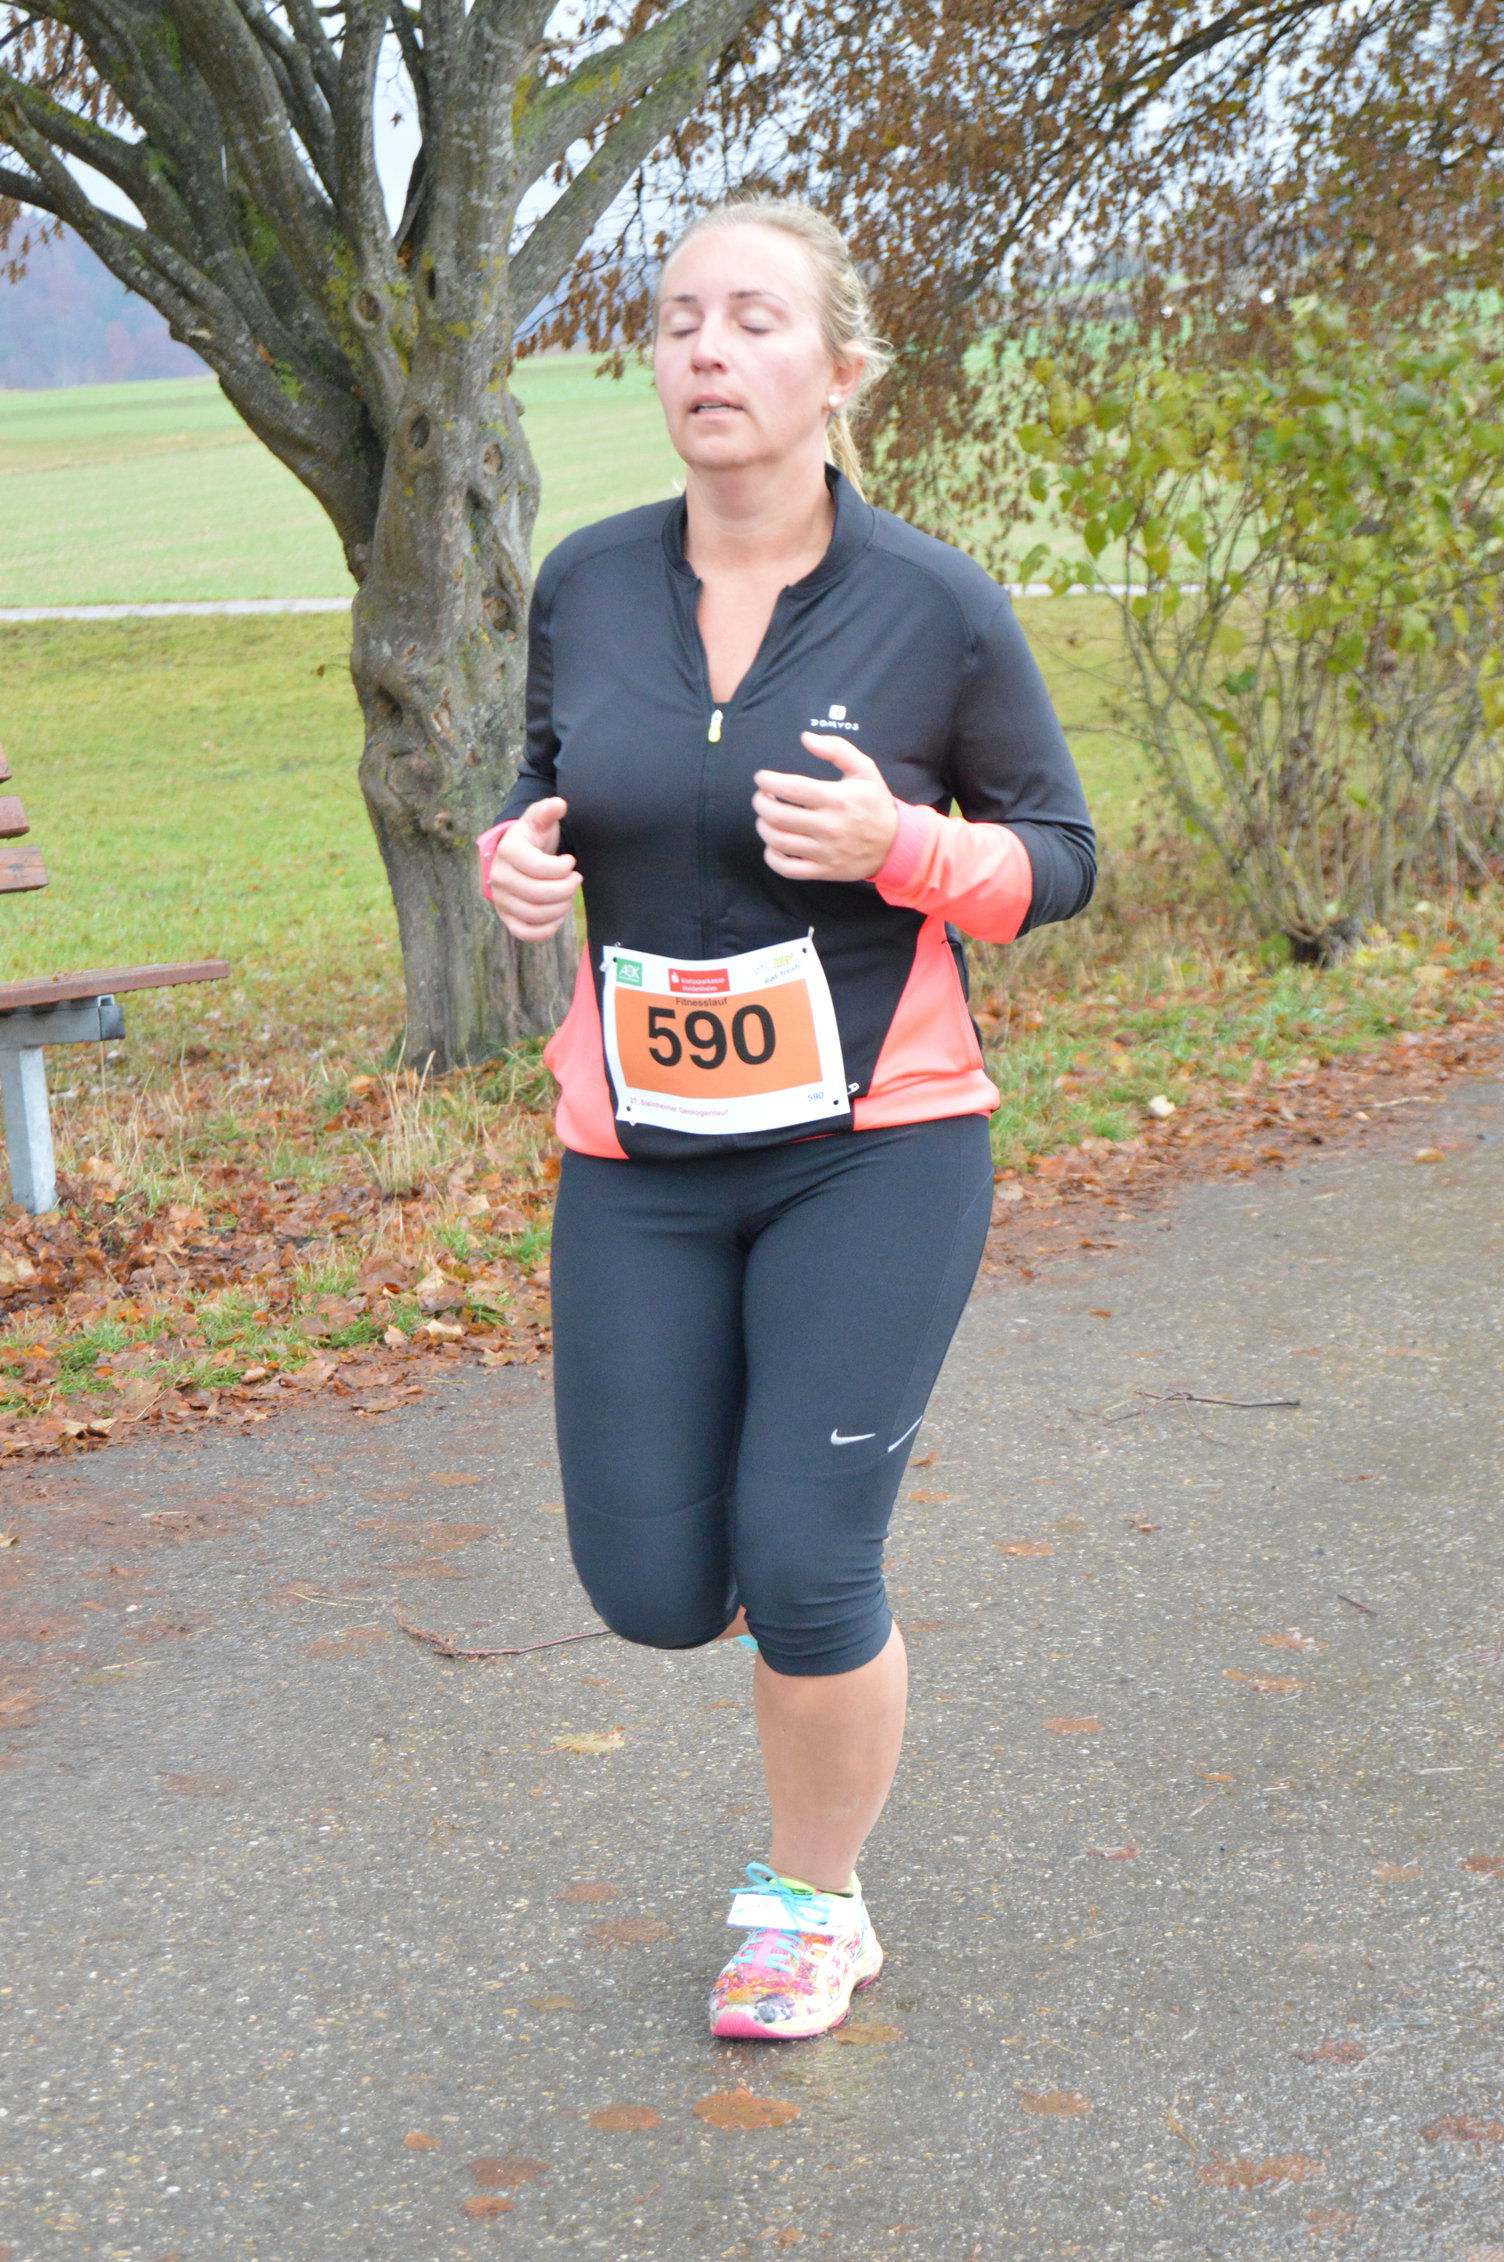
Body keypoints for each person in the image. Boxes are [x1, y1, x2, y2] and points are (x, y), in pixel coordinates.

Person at [476, 198, 1095, 2042]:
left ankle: (811, 1899)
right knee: (658, 1585)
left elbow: (1059, 859)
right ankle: (787, 1580)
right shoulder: (588, 582)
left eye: (754, 318)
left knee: (810, 1559)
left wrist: (903, 847)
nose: (707, 349)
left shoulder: (931, 603)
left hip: (874, 1149)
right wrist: (519, 859)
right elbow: (546, 786)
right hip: (639, 1157)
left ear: (840, 370)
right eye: (681, 319)